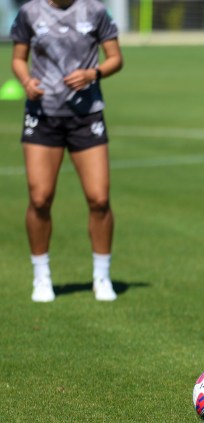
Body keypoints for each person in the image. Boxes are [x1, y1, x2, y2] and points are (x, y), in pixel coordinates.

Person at [10, 0, 124, 302]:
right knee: (40, 198)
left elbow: (116, 58)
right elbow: (19, 59)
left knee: (99, 199)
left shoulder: (95, 10)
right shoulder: (30, 12)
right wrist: (26, 81)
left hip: (86, 117)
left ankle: (102, 276)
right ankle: (41, 277)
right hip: (42, 116)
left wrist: (93, 74)